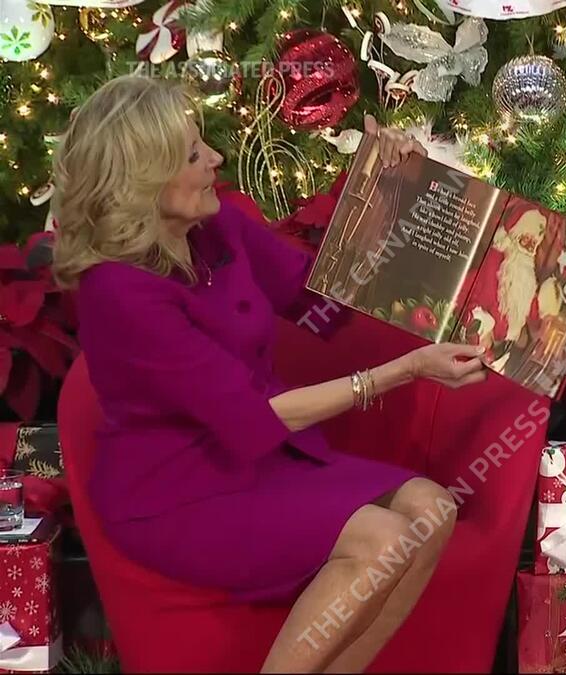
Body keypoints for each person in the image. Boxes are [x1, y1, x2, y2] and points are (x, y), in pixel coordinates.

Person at [50, 74, 488, 673]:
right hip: (177, 494)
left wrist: (388, 188)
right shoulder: (118, 292)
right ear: (141, 182)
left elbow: (323, 299)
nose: (216, 158)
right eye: (193, 154)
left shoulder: (215, 227)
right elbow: (253, 418)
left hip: (265, 461)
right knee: (382, 541)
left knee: (432, 513)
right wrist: (405, 370)